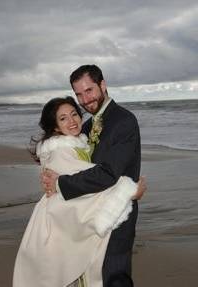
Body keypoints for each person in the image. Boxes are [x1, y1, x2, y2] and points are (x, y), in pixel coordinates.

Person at [13, 97, 146, 287]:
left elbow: (85, 182)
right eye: (63, 118)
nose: (72, 121)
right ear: (56, 126)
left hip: (64, 219)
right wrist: (129, 191)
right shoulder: (61, 151)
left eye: (74, 114)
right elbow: (86, 189)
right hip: (60, 221)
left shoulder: (77, 143)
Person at [42, 65, 143, 287]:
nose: (85, 99)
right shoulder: (86, 126)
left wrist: (60, 183)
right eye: (79, 94)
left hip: (117, 212)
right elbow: (70, 156)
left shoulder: (124, 121)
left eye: (89, 90)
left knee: (114, 274)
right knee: (93, 274)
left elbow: (109, 173)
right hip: (89, 211)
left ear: (103, 85)